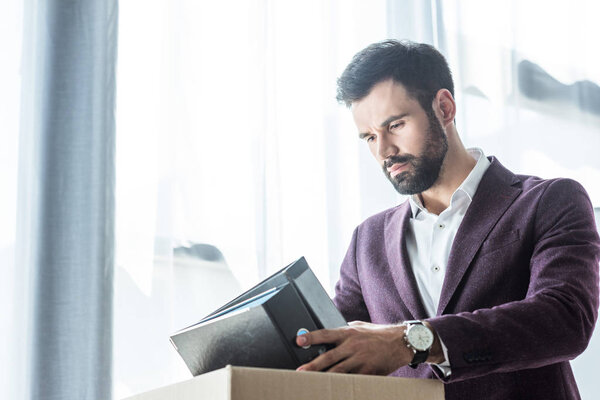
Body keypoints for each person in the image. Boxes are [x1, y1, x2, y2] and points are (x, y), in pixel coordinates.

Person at [294, 40, 600, 400]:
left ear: (444, 107)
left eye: (395, 125)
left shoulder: (549, 201)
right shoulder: (367, 240)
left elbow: (563, 320)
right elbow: (338, 346)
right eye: (370, 137)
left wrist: (412, 341)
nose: (383, 151)